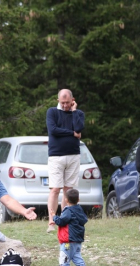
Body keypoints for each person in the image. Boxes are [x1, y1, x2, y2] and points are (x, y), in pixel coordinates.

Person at [46, 89, 85, 233]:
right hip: (56, 156)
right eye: (62, 103)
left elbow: (79, 128)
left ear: (73, 100)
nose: (65, 105)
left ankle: (64, 219)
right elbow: (53, 130)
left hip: (74, 155)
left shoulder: (79, 113)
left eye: (68, 103)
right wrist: (71, 133)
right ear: (58, 101)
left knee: (68, 190)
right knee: (55, 189)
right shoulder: (52, 112)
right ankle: (51, 220)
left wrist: (74, 111)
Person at [50, 188, 90, 266]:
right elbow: (84, 219)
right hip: (77, 239)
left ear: (66, 200)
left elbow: (61, 221)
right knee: (76, 255)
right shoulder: (79, 209)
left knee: (64, 255)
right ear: (78, 200)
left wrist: (54, 216)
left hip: (68, 239)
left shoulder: (68, 210)